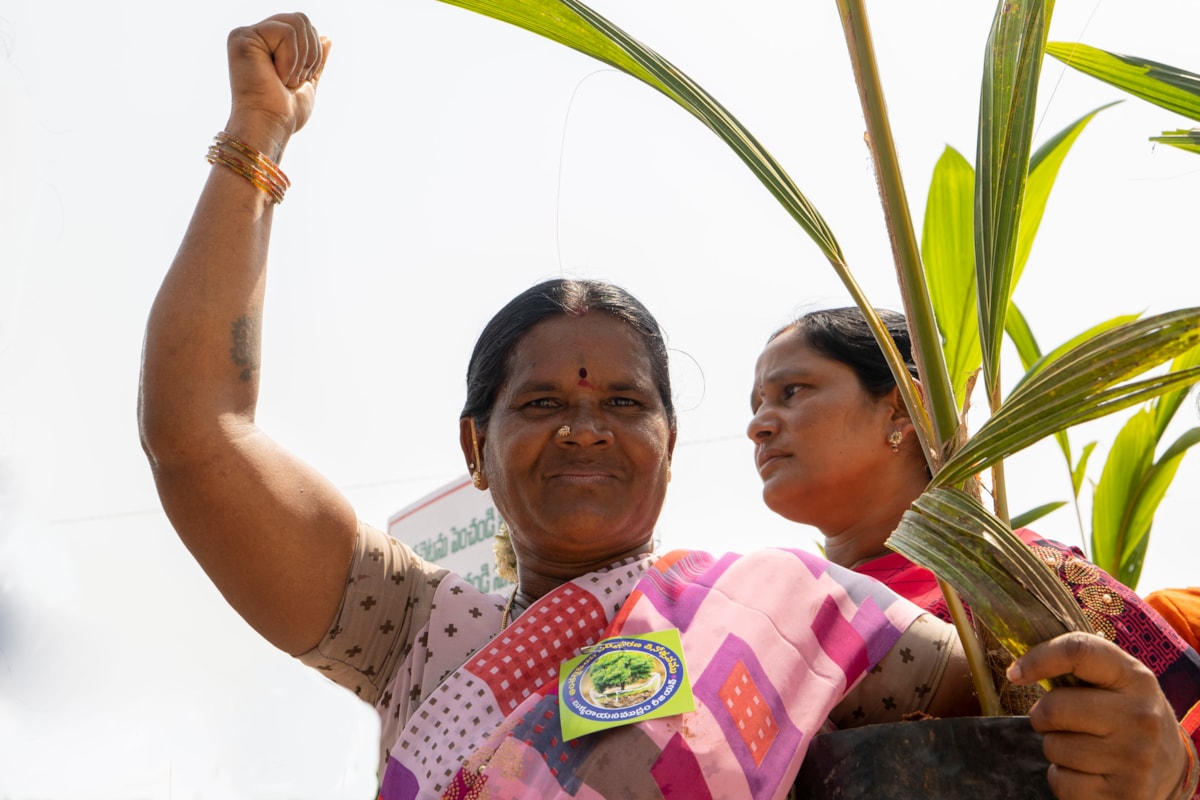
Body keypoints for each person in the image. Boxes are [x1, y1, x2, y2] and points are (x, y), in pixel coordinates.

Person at [137, 14, 981, 799]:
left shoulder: (788, 617)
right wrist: (258, 132)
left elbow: (1025, 695)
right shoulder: (409, 628)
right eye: (541, 403)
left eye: (624, 402)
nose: (586, 429)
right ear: (475, 447)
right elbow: (197, 435)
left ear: (671, 442)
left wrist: (1116, 724)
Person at [747, 306, 1200, 800]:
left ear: (903, 406)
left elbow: (1172, 722)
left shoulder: (1020, 579)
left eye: (792, 392)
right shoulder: (767, 618)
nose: (759, 426)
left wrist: (1175, 772)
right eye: (756, 405)